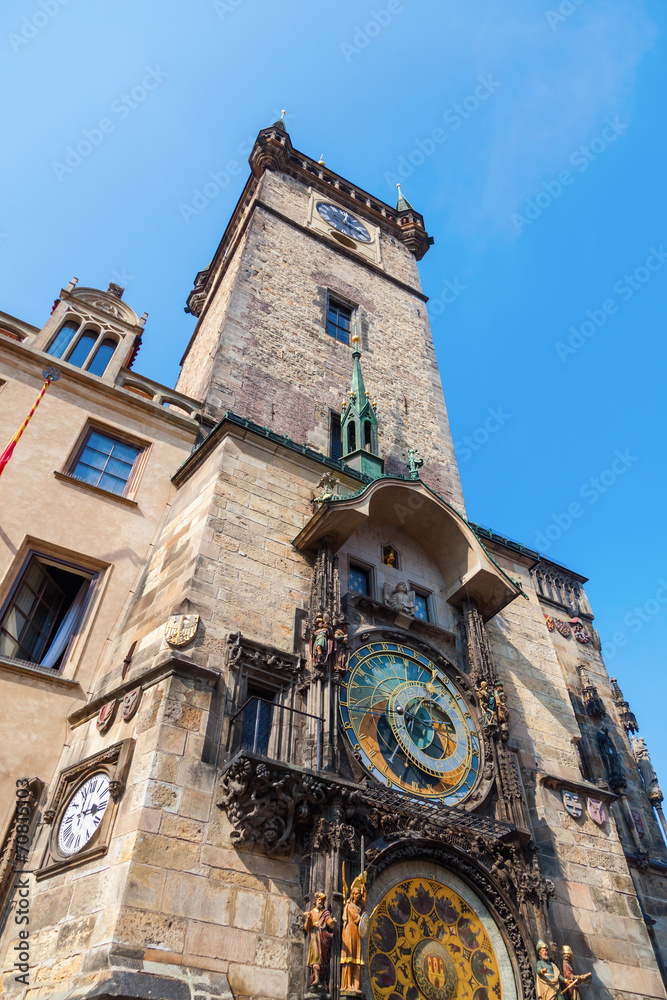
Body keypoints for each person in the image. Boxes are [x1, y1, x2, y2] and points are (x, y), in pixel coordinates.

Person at [304, 892, 337, 992]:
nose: (321, 902)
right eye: (319, 900)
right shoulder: (312, 912)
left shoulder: (325, 912)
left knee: (323, 959)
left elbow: (329, 922)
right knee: (315, 958)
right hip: (314, 936)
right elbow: (307, 928)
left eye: (322, 900)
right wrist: (309, 920)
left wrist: (333, 922)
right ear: (315, 900)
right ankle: (316, 979)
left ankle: (321, 979)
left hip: (323, 938)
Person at [341, 879, 366, 994]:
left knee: (357, 959)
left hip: (356, 932)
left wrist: (364, 890)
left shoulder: (358, 905)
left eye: (358, 894)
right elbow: (358, 919)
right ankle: (348, 984)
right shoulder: (350, 906)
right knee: (349, 958)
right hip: (349, 931)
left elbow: (363, 903)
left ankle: (356, 986)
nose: (357, 895)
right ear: (352, 895)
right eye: (355, 893)